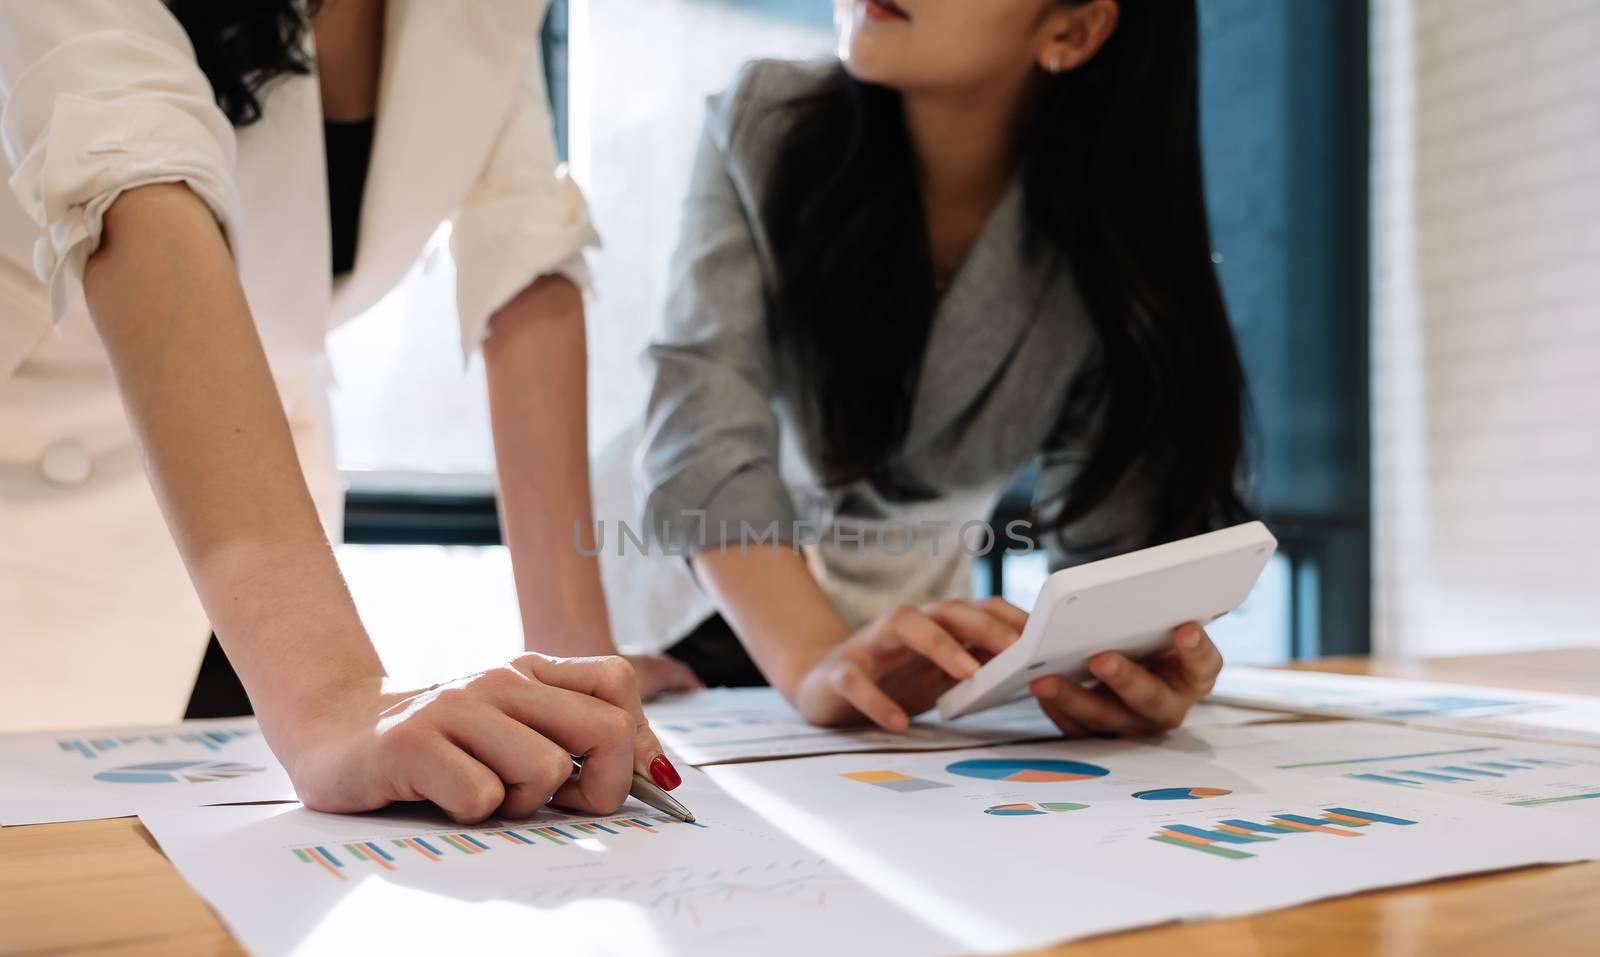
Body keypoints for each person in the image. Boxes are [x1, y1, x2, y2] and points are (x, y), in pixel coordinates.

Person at [0, 0, 691, 821]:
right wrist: (333, 694)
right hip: (39, 522)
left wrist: (582, 665)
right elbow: (135, 183)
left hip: (246, 552)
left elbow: (523, 253)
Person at [634, 0, 1250, 737]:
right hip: (682, 623)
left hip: (907, 664)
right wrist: (812, 661)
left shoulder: (1106, 251)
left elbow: (1113, 574)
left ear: (1073, 30)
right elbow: (703, 422)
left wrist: (1129, 669)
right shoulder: (769, 123)